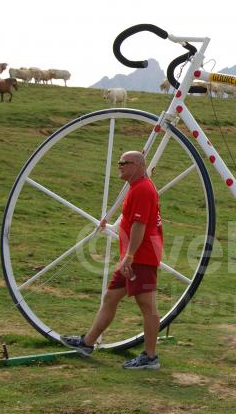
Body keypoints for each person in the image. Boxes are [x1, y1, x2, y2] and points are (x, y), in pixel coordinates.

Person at [61, 151, 164, 370]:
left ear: (136, 165)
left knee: (148, 307)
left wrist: (130, 256)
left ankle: (150, 357)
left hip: (141, 258)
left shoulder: (144, 189)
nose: (119, 166)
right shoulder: (135, 188)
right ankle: (87, 343)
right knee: (110, 297)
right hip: (133, 257)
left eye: (123, 163)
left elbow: (140, 226)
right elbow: (128, 222)